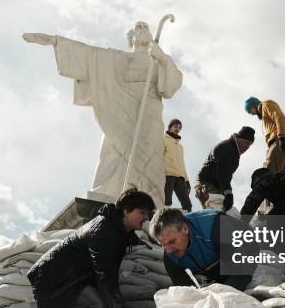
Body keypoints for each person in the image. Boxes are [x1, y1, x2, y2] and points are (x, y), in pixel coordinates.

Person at [23, 21, 183, 207]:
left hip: (149, 113)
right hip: (119, 113)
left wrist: (162, 58)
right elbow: (90, 55)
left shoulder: (157, 59)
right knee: (113, 150)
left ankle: (149, 198)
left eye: (144, 27)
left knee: (150, 156)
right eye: (137, 27)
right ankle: (107, 193)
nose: (141, 29)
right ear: (130, 37)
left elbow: (170, 88)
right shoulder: (115, 58)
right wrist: (55, 41)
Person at [27, 188, 156, 308]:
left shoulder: (117, 229)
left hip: (74, 276)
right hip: (55, 278)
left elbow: (121, 242)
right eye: (142, 212)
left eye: (147, 213)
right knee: (95, 306)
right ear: (126, 211)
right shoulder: (104, 231)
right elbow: (105, 274)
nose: (146, 218)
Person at [150, 208, 253, 291]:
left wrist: (222, 298)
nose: (168, 250)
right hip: (216, 269)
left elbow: (242, 271)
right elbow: (186, 293)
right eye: (163, 245)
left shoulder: (215, 225)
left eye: (171, 242)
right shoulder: (170, 258)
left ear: (185, 229)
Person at [195, 126, 255, 211]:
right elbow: (222, 173)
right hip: (207, 183)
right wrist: (228, 193)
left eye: (249, 145)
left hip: (216, 186)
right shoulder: (227, 148)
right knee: (218, 213)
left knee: (222, 213)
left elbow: (226, 176)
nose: (247, 147)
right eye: (246, 143)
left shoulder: (234, 153)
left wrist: (226, 193)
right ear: (239, 138)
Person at [244, 97, 285, 172]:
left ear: (254, 106)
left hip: (280, 140)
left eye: (250, 111)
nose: (252, 114)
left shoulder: (266, 104)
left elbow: (279, 117)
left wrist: (281, 138)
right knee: (280, 175)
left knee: (271, 174)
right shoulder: (265, 110)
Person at [163, 118, 192, 212]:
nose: (177, 129)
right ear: (170, 127)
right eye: (175, 126)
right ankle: (160, 221)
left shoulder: (180, 147)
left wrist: (187, 180)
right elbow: (159, 155)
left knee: (187, 204)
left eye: (179, 127)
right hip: (168, 174)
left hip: (180, 177)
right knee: (166, 201)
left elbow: (182, 164)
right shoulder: (163, 139)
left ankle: (188, 223)